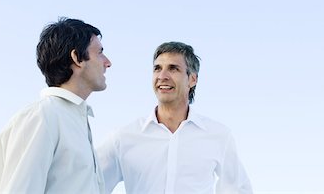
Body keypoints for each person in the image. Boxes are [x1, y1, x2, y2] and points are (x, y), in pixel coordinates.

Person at [97, 41, 252, 194]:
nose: (162, 76)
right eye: (157, 69)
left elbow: (237, 189)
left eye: (173, 69)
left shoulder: (218, 135)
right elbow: (89, 183)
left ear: (192, 79)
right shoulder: (123, 138)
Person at [0, 17, 112, 194]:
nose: (107, 62)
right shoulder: (41, 117)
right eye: (100, 52)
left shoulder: (76, 121)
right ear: (77, 58)